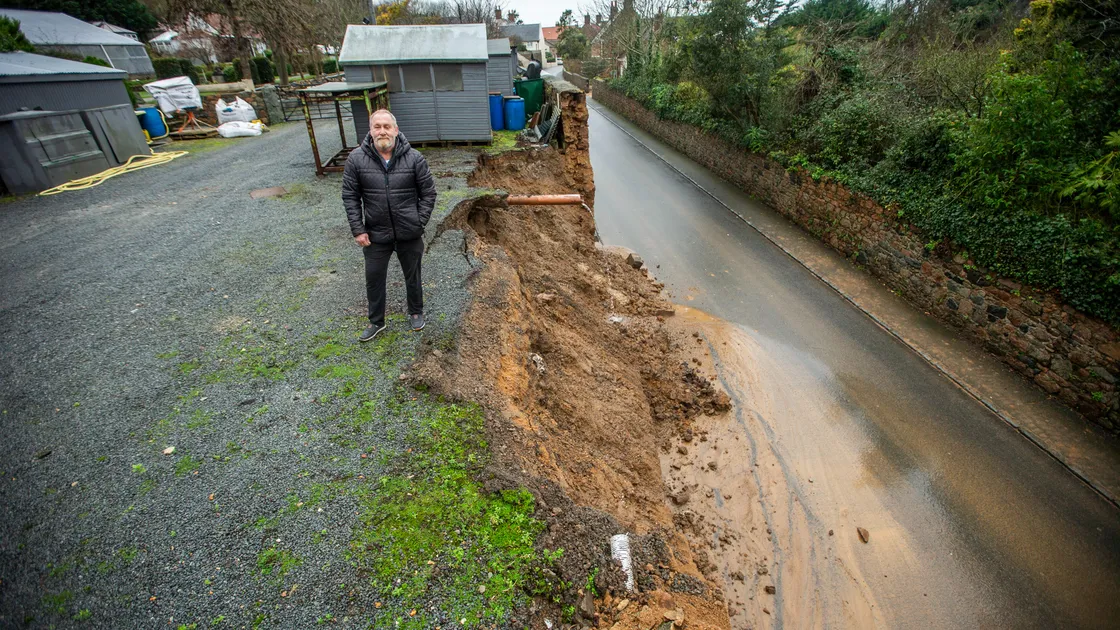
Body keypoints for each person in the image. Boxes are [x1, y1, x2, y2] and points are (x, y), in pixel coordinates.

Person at [342, 109, 436, 342]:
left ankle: (415, 311)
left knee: (412, 275)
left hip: (409, 233)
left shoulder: (414, 158)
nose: (382, 131)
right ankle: (376, 321)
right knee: (374, 278)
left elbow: (429, 193)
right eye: (377, 127)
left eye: (386, 126)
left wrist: (418, 221)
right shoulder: (356, 159)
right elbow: (350, 196)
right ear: (371, 131)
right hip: (375, 234)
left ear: (395, 130)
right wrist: (358, 228)